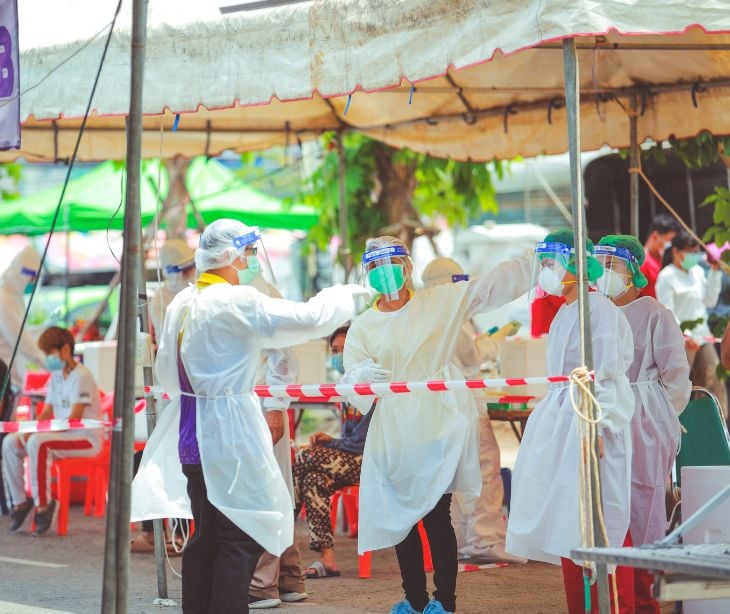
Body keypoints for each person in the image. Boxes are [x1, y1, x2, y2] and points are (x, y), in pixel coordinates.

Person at [131, 219, 367, 614]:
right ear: (228, 256)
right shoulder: (236, 302)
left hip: (190, 436)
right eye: (248, 252)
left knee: (205, 536)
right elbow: (306, 320)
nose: (253, 260)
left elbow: (168, 371)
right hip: (227, 435)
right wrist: (341, 295)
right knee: (239, 539)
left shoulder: (181, 304)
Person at [344, 236, 533, 614]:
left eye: (391, 264)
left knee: (436, 516)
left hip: (435, 424)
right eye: (375, 267)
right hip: (394, 430)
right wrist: (362, 375)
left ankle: (444, 601)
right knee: (403, 519)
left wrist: (535, 262)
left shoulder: (439, 302)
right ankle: (413, 600)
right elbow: (352, 380)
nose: (385, 274)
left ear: (409, 266)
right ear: (367, 273)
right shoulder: (363, 326)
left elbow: (487, 288)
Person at [505, 229, 636, 614]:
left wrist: (599, 425)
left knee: (601, 525)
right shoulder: (566, 310)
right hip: (564, 419)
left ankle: (613, 607)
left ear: (575, 265)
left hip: (590, 420)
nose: (545, 271)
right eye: (543, 264)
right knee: (569, 524)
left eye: (550, 263)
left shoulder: (600, 310)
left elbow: (607, 375)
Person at [595, 234, 691, 613]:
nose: (603, 274)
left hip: (645, 423)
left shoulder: (654, 313)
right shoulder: (596, 311)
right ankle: (616, 599)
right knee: (609, 511)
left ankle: (645, 600)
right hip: (606, 421)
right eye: (598, 265)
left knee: (645, 511)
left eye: (611, 266)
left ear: (632, 270)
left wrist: (660, 421)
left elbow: (677, 376)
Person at [420, 257, 525, 565]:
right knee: (482, 471)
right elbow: (471, 355)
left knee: (452, 478)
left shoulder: (422, 312)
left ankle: (462, 540)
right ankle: (485, 540)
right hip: (464, 406)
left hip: (438, 411)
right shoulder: (448, 311)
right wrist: (495, 340)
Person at [2, 326, 102, 536]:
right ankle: (20, 503)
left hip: (85, 439)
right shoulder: (56, 376)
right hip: (62, 434)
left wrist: (38, 433)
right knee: (11, 441)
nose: (48, 358)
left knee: (38, 442)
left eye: (50, 353)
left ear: (65, 349)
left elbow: (74, 418)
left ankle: (44, 507)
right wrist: (30, 429)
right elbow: (46, 412)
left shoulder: (81, 375)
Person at [292, 325, 373, 579]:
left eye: (343, 350)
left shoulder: (372, 383)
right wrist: (332, 440)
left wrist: (330, 445)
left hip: (373, 460)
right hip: (353, 459)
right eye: (334, 351)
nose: (338, 356)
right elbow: (351, 439)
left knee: (305, 456)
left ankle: (278, 539)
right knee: (313, 480)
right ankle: (327, 560)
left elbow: (361, 444)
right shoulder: (345, 385)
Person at [247, 273, 307, 610]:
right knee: (275, 489)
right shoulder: (251, 290)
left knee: (261, 493)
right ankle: (287, 577)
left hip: (261, 403)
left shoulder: (254, 293)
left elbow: (282, 357)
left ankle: (262, 583)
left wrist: (274, 406)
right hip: (259, 402)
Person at [132, 238, 196, 555]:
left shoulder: (200, 294)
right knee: (158, 460)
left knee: (184, 462)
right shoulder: (160, 301)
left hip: (194, 394)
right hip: (173, 394)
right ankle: (164, 531)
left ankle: (184, 531)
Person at [655, 231, 726, 415]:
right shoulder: (666, 276)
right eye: (690, 251)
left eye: (696, 251)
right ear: (676, 252)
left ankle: (716, 423)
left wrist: (715, 272)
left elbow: (709, 301)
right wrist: (684, 337)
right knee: (679, 388)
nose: (694, 255)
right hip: (680, 341)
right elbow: (666, 312)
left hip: (702, 337)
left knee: (713, 383)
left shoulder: (697, 271)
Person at [0, 245, 45, 391]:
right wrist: (45, 362)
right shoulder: (4, 298)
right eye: (31, 277)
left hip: (12, 376)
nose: (31, 281)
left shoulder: (14, 297)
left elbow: (21, 331)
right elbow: (20, 338)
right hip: (5, 374)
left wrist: (43, 330)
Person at [149, 238, 196, 342]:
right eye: (188, 270)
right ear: (173, 274)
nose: (193, 273)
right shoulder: (160, 304)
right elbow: (172, 341)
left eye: (193, 266)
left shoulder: (197, 290)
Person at [639, 214, 679, 299]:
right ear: (655, 236)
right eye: (670, 241)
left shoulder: (666, 259)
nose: (672, 246)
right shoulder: (641, 262)